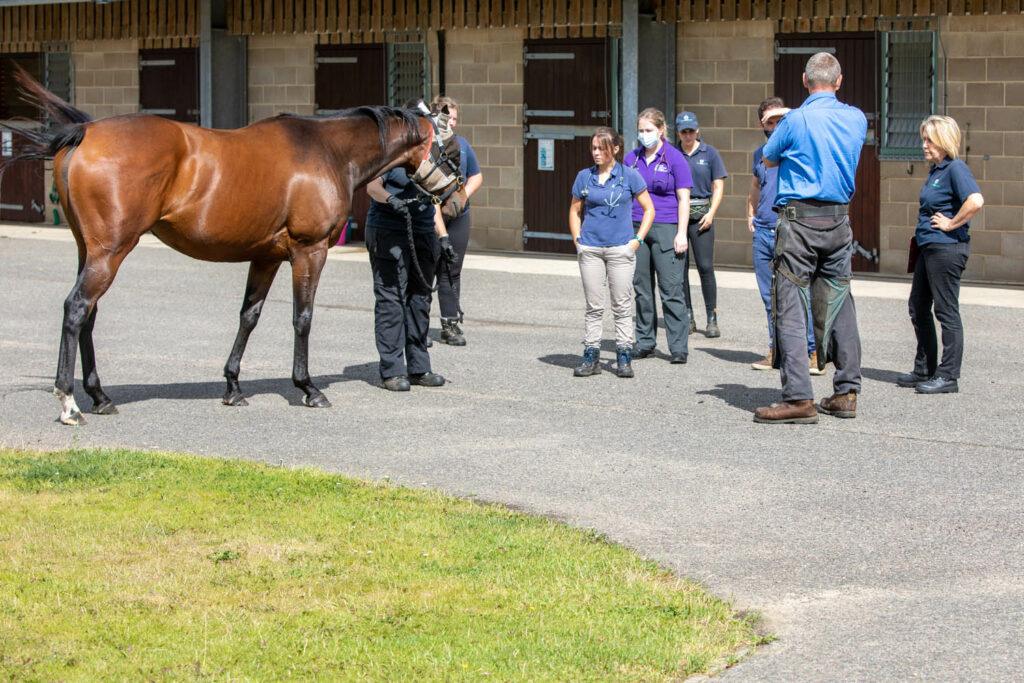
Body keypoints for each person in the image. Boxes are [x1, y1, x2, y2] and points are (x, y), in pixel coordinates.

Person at [753, 52, 868, 424]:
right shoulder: (856, 118)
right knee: (840, 303)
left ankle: (799, 398)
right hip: (838, 221)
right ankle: (847, 392)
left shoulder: (794, 120)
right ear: (839, 81)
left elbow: (768, 159)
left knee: (789, 305)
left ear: (804, 80)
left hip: (799, 221)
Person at [364, 104, 453, 392]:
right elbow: (372, 187)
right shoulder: (388, 152)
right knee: (392, 300)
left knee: (420, 300)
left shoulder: (429, 156)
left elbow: (436, 198)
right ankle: (392, 370)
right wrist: (391, 200)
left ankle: (418, 367)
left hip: (423, 230)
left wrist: (443, 236)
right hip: (389, 230)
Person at [897, 115, 983, 394]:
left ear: (945, 141)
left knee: (946, 311)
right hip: (928, 246)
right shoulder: (936, 170)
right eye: (923, 139)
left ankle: (948, 376)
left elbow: (976, 201)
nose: (924, 145)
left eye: (930, 140)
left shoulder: (955, 168)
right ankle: (925, 368)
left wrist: (951, 223)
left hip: (946, 248)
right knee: (918, 307)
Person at [747, 97, 824, 376]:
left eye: (780, 120)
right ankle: (775, 351)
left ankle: (813, 352)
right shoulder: (760, 153)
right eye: (770, 121)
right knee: (770, 298)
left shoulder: (797, 148)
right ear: (761, 124)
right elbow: (756, 184)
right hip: (763, 231)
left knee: (799, 294)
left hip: (789, 229)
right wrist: (750, 212)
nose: (776, 125)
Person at [569, 127, 655, 378]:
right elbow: (574, 211)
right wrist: (579, 241)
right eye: (593, 148)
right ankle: (591, 356)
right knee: (594, 306)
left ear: (615, 149)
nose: (596, 153)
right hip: (591, 249)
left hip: (621, 249)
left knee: (621, 304)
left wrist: (637, 240)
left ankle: (624, 355)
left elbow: (649, 209)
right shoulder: (584, 177)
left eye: (601, 148)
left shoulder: (630, 176)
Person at [623, 108, 693, 364]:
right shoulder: (631, 159)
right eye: (641, 131)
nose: (644, 135)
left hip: (666, 227)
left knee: (671, 290)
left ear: (661, 130)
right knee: (642, 289)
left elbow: (684, 198)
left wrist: (682, 233)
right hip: (636, 228)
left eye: (649, 130)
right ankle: (644, 342)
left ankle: (678, 347)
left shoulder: (675, 158)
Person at [430, 95, 483, 346]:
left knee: (452, 269)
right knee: (426, 268)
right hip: (432, 214)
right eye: (447, 117)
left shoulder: (462, 144)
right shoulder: (427, 144)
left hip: (458, 214)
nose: (451, 123)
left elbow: (476, 176)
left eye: (454, 119)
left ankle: (450, 324)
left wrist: (462, 197)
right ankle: (417, 324)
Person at [675, 111, 727, 337]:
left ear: (698, 130)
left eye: (691, 131)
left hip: (702, 217)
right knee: (681, 269)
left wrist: (711, 213)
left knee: (705, 267)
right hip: (678, 219)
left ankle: (712, 317)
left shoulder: (710, 153)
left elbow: (718, 185)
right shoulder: (672, 153)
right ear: (678, 132)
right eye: (684, 131)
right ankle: (688, 316)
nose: (688, 135)